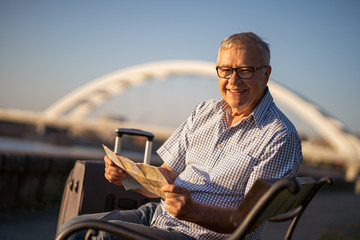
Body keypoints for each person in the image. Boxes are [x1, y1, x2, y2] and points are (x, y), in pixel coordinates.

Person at [58, 32, 303, 240]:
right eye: (225, 70)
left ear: (266, 73)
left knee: (106, 236)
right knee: (74, 228)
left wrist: (193, 211)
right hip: (160, 216)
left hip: (198, 235)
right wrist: (128, 175)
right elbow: (168, 175)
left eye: (245, 70)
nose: (233, 80)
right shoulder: (205, 111)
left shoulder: (279, 136)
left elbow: (249, 219)